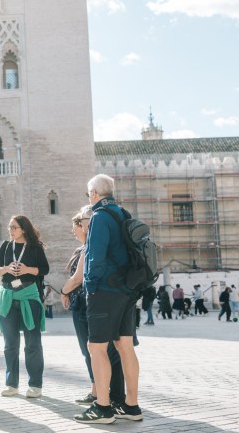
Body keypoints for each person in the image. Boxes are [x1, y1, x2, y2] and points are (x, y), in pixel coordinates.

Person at [75, 174, 142, 424]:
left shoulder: (100, 217)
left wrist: (91, 288)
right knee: (125, 347)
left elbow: (95, 256)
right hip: (127, 290)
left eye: (88, 194)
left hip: (105, 291)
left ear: (93, 193)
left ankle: (102, 407)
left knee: (97, 348)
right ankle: (131, 406)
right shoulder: (122, 213)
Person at [60, 207, 126, 406]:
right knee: (96, 351)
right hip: (86, 303)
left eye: (77, 225)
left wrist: (64, 291)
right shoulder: (84, 248)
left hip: (86, 304)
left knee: (96, 350)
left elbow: (77, 278)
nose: (74, 230)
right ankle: (98, 390)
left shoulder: (90, 245)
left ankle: (110, 395)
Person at [0, 215, 48, 399]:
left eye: (14, 227)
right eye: (9, 227)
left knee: (32, 343)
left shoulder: (35, 247)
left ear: (23, 228)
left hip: (29, 298)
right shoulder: (6, 246)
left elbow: (44, 269)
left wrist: (26, 270)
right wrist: (6, 269)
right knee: (10, 345)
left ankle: (35, 385)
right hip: (8, 296)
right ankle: (11, 384)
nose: (11, 230)